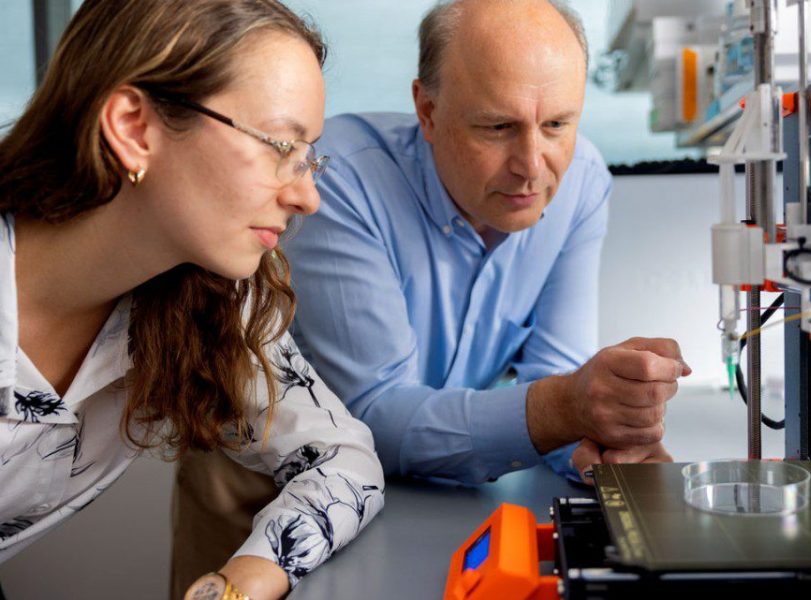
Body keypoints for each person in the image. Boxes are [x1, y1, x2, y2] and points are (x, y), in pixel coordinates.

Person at [173, 0, 690, 585]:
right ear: (427, 109)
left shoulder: (582, 182)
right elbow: (373, 412)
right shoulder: (339, 179)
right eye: (497, 127)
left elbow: (555, 372)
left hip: (425, 490)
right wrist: (565, 407)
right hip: (269, 478)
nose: (531, 167)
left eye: (557, 125)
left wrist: (593, 445)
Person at [0, 1, 384, 599]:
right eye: (281, 144)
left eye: (310, 157)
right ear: (134, 128)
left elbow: (343, 460)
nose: (308, 197)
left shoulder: (211, 299)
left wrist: (237, 584)